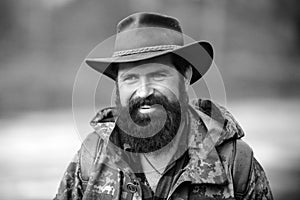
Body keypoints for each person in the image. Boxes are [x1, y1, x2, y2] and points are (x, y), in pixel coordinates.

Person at [54, 12, 273, 200]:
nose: (144, 91)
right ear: (118, 86)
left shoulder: (235, 163)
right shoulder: (91, 158)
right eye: (130, 79)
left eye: (158, 75)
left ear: (185, 77)